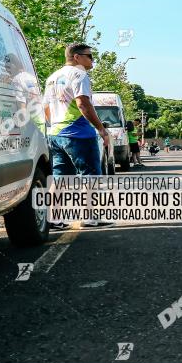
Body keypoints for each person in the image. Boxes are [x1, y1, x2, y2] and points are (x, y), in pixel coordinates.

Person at [44, 43, 113, 229]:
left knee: (60, 177)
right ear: (76, 57)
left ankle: (53, 218)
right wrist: (101, 128)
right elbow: (83, 104)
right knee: (90, 175)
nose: (92, 60)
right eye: (89, 56)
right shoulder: (79, 74)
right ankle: (89, 218)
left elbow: (46, 108)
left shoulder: (52, 77)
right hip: (78, 133)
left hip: (56, 134)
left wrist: (54, 126)